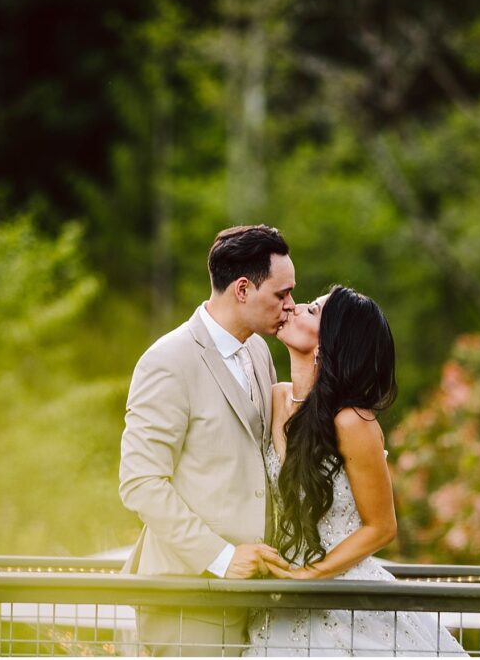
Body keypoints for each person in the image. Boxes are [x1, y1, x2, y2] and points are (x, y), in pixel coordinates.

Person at [245, 286, 468, 657]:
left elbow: (382, 527)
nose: (296, 307)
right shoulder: (273, 399)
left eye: (313, 311)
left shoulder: (351, 422)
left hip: (342, 593)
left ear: (330, 342)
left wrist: (312, 575)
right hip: (279, 596)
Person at [119, 225, 296, 656]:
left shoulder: (259, 352)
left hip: (256, 599)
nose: (291, 306)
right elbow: (140, 482)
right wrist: (221, 558)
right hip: (188, 599)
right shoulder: (167, 361)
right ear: (242, 289)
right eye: (281, 294)